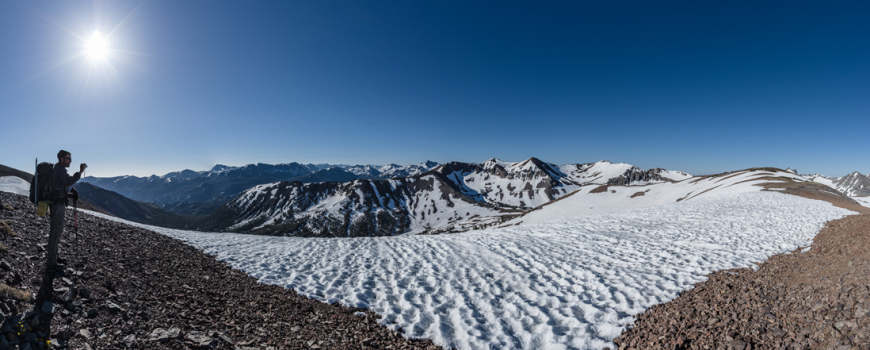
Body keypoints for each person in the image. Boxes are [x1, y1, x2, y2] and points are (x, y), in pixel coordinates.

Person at [46, 150, 87, 274]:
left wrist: (69, 195)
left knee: (57, 231)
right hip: (57, 205)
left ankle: (55, 257)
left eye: (70, 158)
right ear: (61, 159)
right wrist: (80, 171)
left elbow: (59, 188)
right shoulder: (59, 169)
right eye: (68, 158)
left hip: (57, 203)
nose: (70, 160)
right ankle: (51, 263)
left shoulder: (58, 170)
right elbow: (68, 181)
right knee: (56, 231)